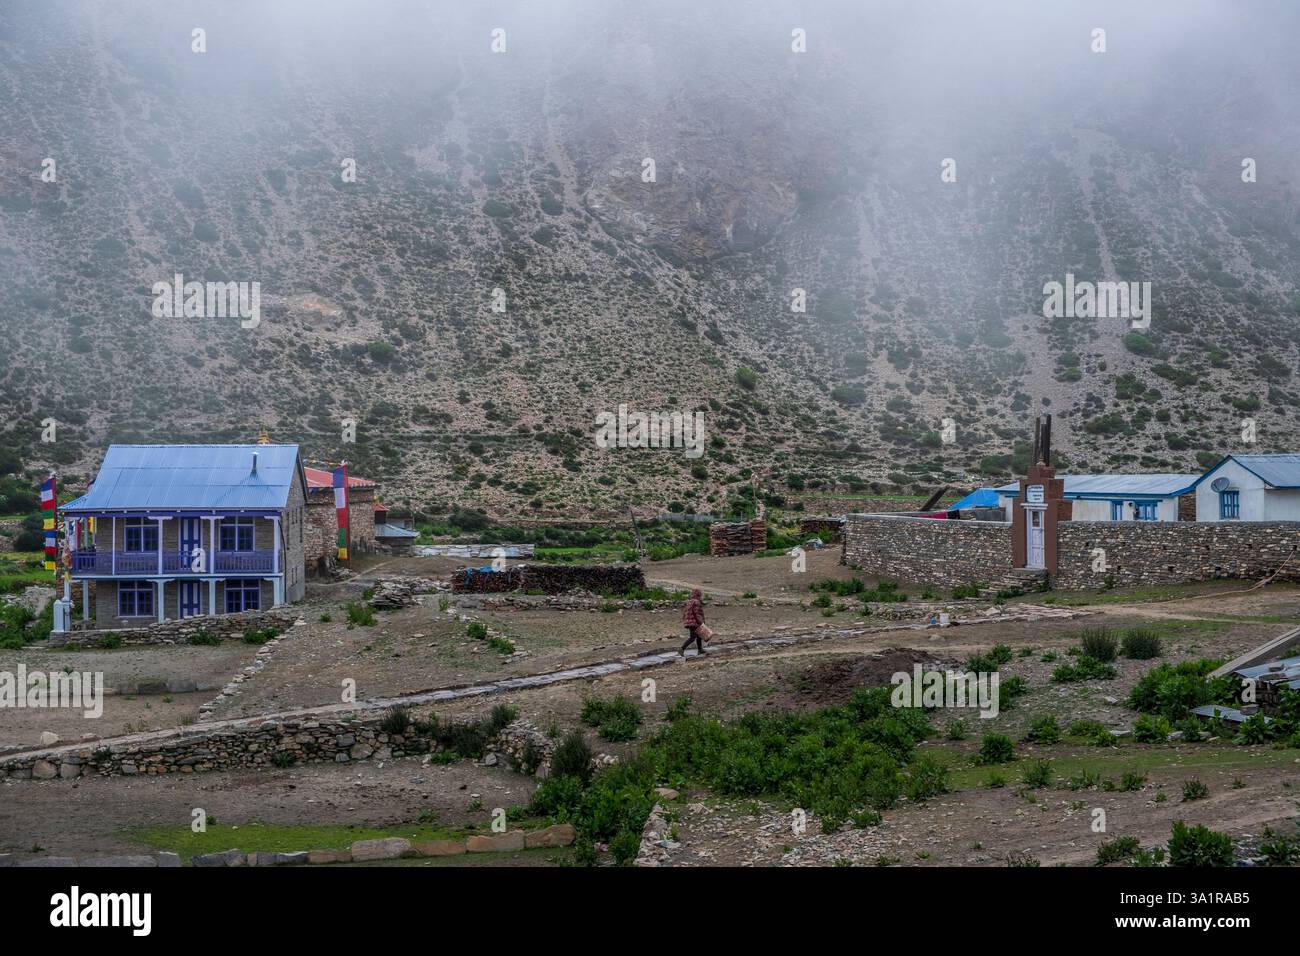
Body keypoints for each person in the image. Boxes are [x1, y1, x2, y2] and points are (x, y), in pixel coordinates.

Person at [680, 588, 706, 658]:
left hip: (689, 622)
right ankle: (682, 649)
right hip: (695, 622)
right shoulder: (697, 602)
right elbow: (696, 613)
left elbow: (685, 612)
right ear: (698, 595)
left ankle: (700, 649)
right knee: (692, 637)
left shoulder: (690, 602)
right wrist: (701, 622)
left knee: (699, 636)